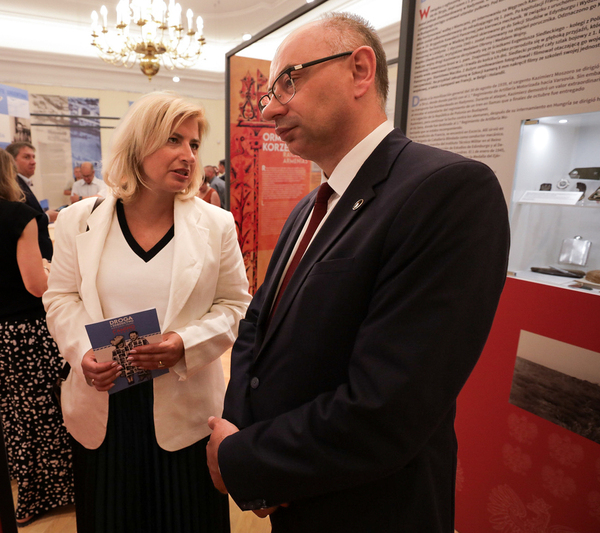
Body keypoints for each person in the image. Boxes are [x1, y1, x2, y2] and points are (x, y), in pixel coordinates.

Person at [206, 13, 510, 533]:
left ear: (361, 70)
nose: (272, 106)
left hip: (373, 508)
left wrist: (246, 459)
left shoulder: (449, 191)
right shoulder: (311, 207)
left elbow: (389, 407)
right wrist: (241, 430)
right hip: (296, 496)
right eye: (270, 92)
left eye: (289, 82)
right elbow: (259, 324)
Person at [43, 91, 251, 533]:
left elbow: (235, 307)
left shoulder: (217, 226)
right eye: (173, 140)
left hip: (186, 409)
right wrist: (82, 353)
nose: (188, 156)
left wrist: (183, 344)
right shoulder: (79, 220)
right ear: (138, 146)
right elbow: (60, 297)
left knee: (188, 520)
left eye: (194, 145)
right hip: (103, 408)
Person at [0, 144, 74, 527]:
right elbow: (34, 285)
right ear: (7, 174)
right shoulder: (21, 216)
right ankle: (51, 493)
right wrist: (55, 274)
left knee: (12, 415)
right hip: (26, 332)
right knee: (47, 412)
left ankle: (23, 487)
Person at [6, 142, 56, 262]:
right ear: (12, 160)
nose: (33, 161)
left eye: (33, 157)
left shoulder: (21, 183)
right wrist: (48, 216)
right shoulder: (13, 186)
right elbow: (22, 222)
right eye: (26, 157)